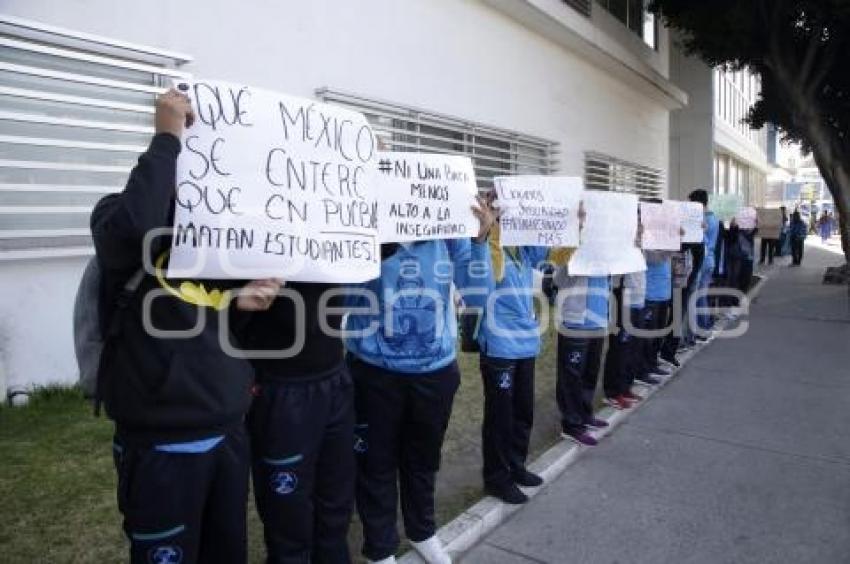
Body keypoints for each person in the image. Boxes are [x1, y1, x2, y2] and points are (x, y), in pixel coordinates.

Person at [90, 89, 280, 564]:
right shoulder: (116, 214)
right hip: (161, 443)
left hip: (227, 431)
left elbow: (200, 316)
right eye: (188, 152)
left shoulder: (218, 230)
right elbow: (135, 231)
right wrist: (166, 138)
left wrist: (242, 302)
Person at [344, 199, 496, 564]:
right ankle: (380, 549)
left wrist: (480, 240)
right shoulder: (361, 223)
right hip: (374, 369)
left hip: (435, 371)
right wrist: (372, 254)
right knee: (375, 462)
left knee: (423, 458)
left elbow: (478, 294)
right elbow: (342, 300)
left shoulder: (449, 231)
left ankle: (422, 531)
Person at [241, 282, 355, 560]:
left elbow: (381, 247)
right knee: (288, 516)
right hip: (280, 385)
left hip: (334, 376)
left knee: (336, 507)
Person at [475, 221, 573, 505]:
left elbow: (555, 259)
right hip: (500, 345)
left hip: (526, 343)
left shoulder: (522, 249)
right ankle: (496, 477)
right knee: (500, 416)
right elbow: (488, 277)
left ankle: (516, 466)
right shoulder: (491, 249)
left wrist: (574, 229)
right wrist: (491, 229)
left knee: (522, 411)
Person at [554, 265, 612, 447]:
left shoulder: (606, 250)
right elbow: (558, 279)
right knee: (571, 376)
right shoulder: (571, 250)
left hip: (598, 320)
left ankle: (585, 415)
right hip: (575, 322)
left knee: (590, 373)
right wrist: (574, 260)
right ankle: (571, 425)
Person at [692, 190, 720, 337]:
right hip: (710, 260)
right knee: (702, 294)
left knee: (698, 296)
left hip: (702, 260)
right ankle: (705, 325)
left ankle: (701, 329)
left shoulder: (703, 220)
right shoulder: (713, 217)